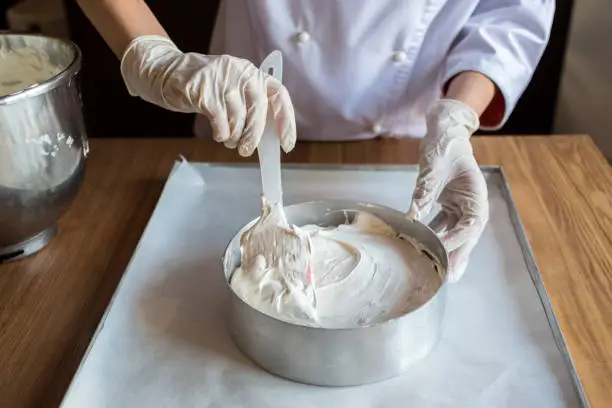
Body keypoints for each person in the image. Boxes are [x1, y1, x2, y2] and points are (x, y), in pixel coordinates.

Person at [75, 0, 554, 281]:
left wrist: (458, 114)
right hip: (239, 105)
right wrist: (154, 56)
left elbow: (511, 9)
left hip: (404, 138)